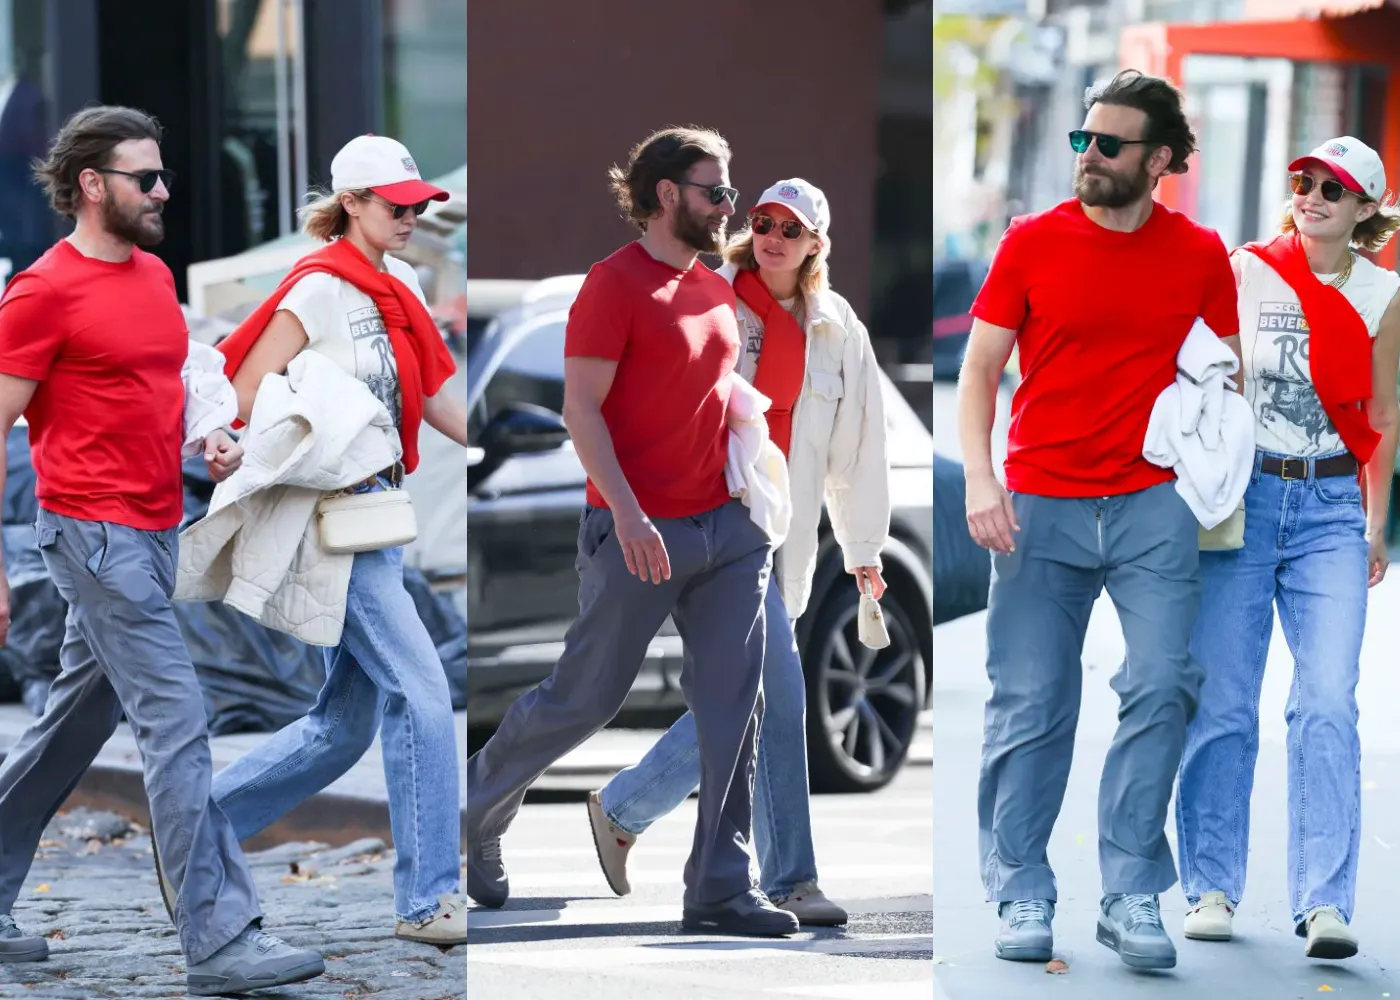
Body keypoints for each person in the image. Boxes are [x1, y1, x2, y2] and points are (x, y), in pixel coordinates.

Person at [0, 106, 324, 995]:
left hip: (152, 531)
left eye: (164, 175)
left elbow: (164, 387)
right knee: (179, 725)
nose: (163, 191)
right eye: (146, 178)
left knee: (75, 721)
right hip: (91, 536)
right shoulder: (40, 291)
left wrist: (207, 441)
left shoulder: (149, 276)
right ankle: (219, 938)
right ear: (92, 185)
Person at [465, 126, 795, 937]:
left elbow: (723, 396)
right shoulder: (611, 288)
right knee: (587, 698)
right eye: (714, 192)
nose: (729, 206)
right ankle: (474, 811)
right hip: (637, 528)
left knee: (733, 705)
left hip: (726, 527)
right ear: (665, 195)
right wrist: (629, 511)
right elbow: (581, 411)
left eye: (729, 191)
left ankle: (720, 885)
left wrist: (752, 490)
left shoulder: (718, 289)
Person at [957, 69, 1240, 971]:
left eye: (1107, 144)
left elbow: (1224, 381)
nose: (1087, 156)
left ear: (1157, 159)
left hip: (1155, 505)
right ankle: (1020, 888)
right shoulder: (1032, 244)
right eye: (1082, 140)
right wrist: (980, 478)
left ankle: (1127, 892)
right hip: (1039, 501)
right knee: (1033, 705)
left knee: (1163, 686)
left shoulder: (1199, 255)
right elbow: (976, 373)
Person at [162, 134, 468, 945]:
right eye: (397, 205)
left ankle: (193, 840)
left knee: (344, 727)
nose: (413, 217)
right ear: (355, 204)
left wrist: (492, 439)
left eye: (419, 205)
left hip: (384, 515)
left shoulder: (400, 284)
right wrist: (224, 434)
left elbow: (433, 392)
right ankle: (428, 900)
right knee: (425, 696)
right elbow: (245, 381)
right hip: (338, 517)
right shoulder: (319, 287)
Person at [588, 177, 890, 927]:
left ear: (817, 242)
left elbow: (861, 443)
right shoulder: (709, 297)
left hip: (786, 533)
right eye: (762, 221)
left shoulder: (837, 326)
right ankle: (791, 878)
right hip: (719, 526)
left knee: (750, 692)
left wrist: (863, 546)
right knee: (775, 694)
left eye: (792, 227)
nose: (773, 236)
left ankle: (624, 807)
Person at [1175, 137, 1400, 959]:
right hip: (1245, 498)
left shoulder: (1385, 291)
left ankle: (1325, 904)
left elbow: (1383, 414)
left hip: (1333, 506)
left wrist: (1376, 524)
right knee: (1226, 700)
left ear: (1365, 208)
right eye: (1303, 181)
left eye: (1332, 190)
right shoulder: (1246, 269)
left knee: (1329, 702)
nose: (1311, 197)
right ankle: (1209, 887)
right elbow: (1206, 375)